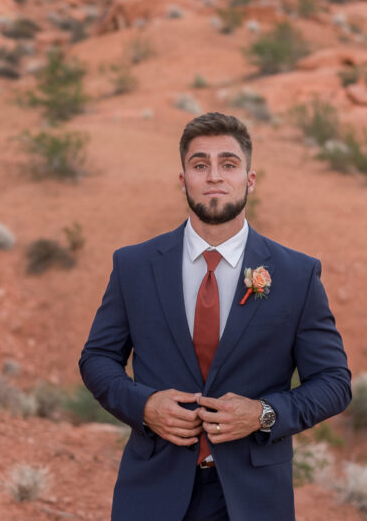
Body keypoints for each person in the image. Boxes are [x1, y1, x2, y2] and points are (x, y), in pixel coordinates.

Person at [79, 112, 351, 521]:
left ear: (249, 180)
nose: (214, 176)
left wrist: (263, 414)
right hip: (151, 492)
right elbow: (97, 360)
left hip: (253, 499)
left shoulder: (297, 274)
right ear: (183, 179)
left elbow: (334, 383)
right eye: (199, 164)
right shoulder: (134, 265)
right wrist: (146, 404)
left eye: (228, 163)